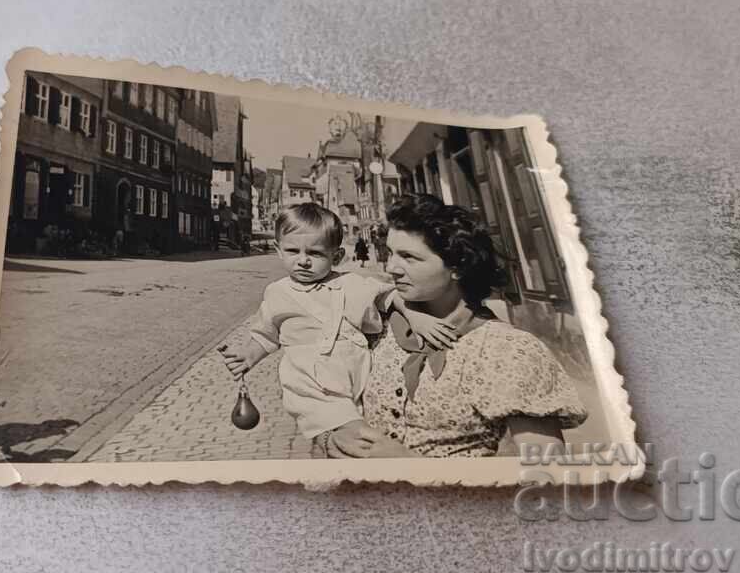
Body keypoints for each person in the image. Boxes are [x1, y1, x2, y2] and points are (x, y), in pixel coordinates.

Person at [320, 195, 587, 459]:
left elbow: (547, 468)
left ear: (457, 266)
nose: (391, 268)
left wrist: (410, 464)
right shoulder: (373, 324)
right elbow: (318, 393)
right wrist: (332, 436)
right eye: (391, 253)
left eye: (409, 257)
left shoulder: (509, 351)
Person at [220, 203, 451, 454]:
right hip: (309, 383)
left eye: (315, 253)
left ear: (337, 256)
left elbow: (390, 296)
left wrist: (415, 317)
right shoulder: (277, 293)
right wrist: (248, 357)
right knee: (356, 439)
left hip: (356, 370)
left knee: (371, 424)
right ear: (278, 250)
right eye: (292, 251)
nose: (303, 261)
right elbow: (266, 334)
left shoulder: (352, 283)